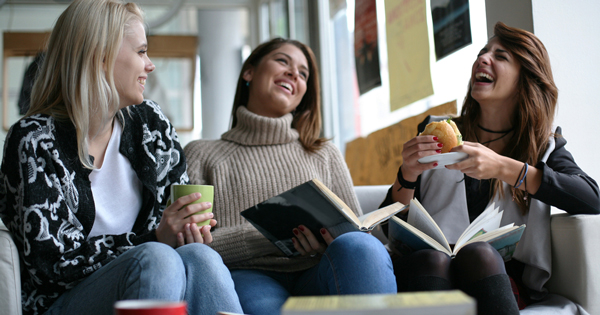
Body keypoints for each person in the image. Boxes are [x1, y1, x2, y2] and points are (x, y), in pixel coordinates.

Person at [0, 1, 243, 315]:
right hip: (59, 302)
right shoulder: (33, 140)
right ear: (101, 56)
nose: (150, 65)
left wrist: (189, 230)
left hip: (153, 277)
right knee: (156, 258)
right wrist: (154, 238)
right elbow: (50, 266)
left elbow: (177, 226)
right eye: (141, 52)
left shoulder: (152, 124)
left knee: (200, 257)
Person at [380, 22, 600, 315]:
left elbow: (591, 198)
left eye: (501, 56)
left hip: (496, 277)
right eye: (483, 52)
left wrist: (505, 168)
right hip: (430, 272)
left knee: (480, 254)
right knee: (432, 259)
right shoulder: (437, 131)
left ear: (525, 79)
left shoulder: (543, 146)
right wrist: (407, 175)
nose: (483, 59)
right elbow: (387, 226)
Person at [184, 38, 397, 315]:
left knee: (361, 246)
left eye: (303, 73)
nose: (294, 73)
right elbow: (193, 247)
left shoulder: (324, 153)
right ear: (249, 72)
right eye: (283, 61)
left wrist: (323, 242)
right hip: (249, 276)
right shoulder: (202, 154)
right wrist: (271, 237)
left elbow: (354, 233)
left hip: (320, 271)